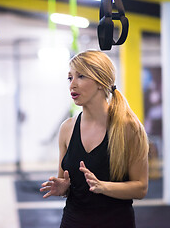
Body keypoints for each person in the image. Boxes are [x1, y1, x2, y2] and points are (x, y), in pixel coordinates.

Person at [40, 50, 149, 228]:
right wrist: (62, 188)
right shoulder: (67, 129)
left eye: (80, 76)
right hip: (73, 222)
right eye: (70, 78)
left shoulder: (129, 128)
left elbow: (141, 188)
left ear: (100, 82)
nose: (72, 85)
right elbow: (65, 181)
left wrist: (103, 187)